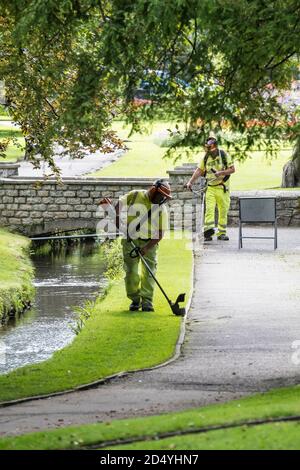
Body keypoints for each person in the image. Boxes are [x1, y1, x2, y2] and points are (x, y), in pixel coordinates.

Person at [117, 179, 171, 312]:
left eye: (164, 197)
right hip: (130, 240)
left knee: (150, 272)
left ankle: (147, 301)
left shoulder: (161, 208)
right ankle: (135, 299)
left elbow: (160, 232)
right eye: (160, 195)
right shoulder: (134, 195)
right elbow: (118, 205)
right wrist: (120, 223)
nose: (161, 199)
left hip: (150, 242)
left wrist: (147, 247)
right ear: (153, 190)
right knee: (131, 271)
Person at [186, 137, 235, 241]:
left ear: (215, 147)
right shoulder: (206, 157)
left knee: (223, 210)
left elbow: (232, 169)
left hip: (222, 188)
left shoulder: (224, 155)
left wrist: (221, 173)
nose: (209, 151)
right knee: (209, 210)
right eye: (207, 149)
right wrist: (190, 182)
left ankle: (222, 233)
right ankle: (208, 232)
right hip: (210, 188)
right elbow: (199, 170)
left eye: (210, 149)